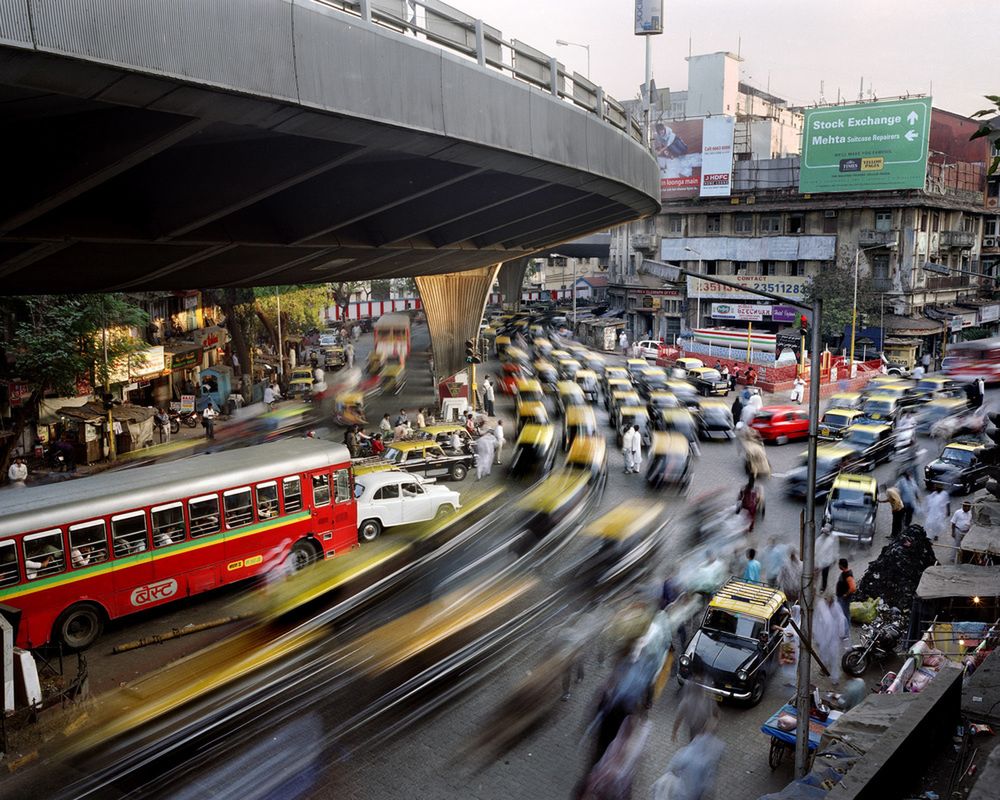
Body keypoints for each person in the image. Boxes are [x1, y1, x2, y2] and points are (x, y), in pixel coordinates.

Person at [671, 665, 719, 743]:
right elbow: (714, 706)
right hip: (698, 726)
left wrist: (674, 731)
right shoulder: (705, 684)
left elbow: (680, 714)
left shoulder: (699, 686)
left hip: (702, 725)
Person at [835, 558, 856, 639]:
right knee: (842, 614)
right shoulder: (845, 573)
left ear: (841, 565)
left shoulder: (848, 575)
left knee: (845, 615)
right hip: (841, 598)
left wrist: (845, 595)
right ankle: (842, 632)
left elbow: (853, 588)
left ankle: (846, 634)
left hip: (844, 599)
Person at [816, 524, 839, 593]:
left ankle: (823, 587)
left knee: (824, 575)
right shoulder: (820, 538)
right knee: (817, 573)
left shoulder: (832, 539)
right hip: (820, 560)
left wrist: (834, 558)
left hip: (827, 561)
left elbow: (835, 549)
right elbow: (816, 547)